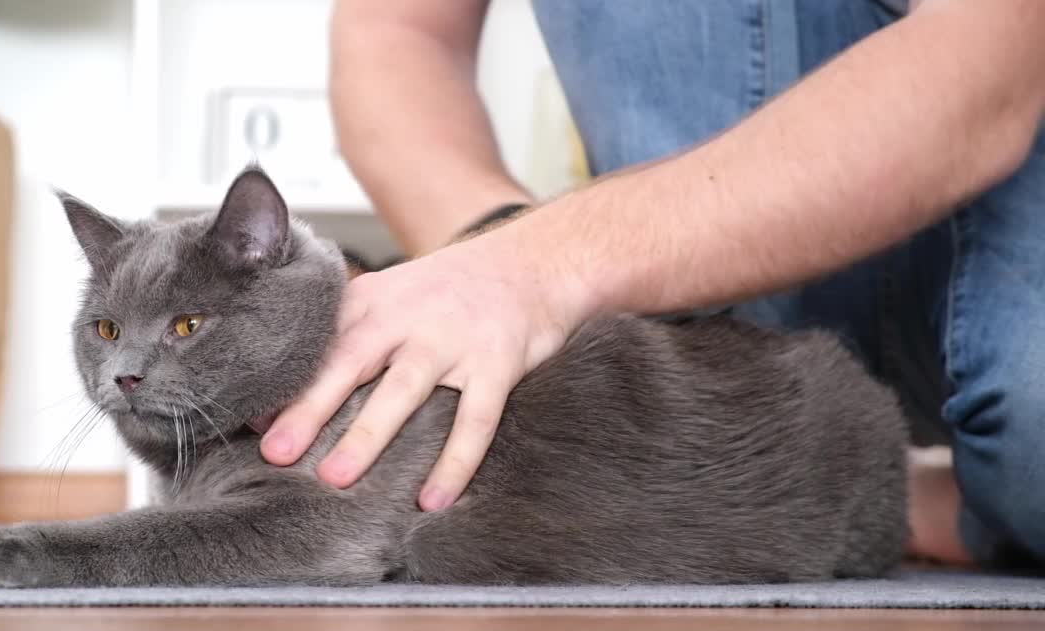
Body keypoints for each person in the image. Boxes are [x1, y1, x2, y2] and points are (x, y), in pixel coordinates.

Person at [258, 0, 1045, 570]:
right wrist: (495, 250)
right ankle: (828, 473)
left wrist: (548, 261)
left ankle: (959, 492)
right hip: (712, 317)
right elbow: (397, 29)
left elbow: (988, 62)